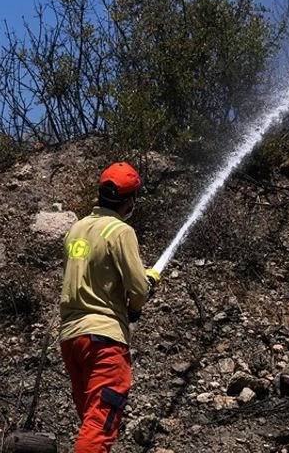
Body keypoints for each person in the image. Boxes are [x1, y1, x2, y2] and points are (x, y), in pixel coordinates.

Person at [58, 162, 161, 452]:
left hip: (71, 339)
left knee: (91, 420)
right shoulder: (120, 231)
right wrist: (146, 288)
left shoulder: (75, 230)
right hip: (104, 339)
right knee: (100, 423)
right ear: (129, 201)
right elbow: (138, 289)